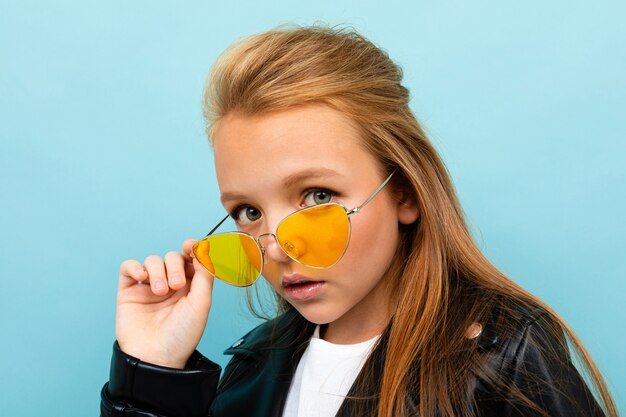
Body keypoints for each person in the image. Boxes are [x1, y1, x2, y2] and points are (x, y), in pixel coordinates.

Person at [100, 25, 618, 417]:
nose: (278, 248)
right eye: (249, 212)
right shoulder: (253, 367)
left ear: (405, 192)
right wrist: (151, 375)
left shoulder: (501, 357)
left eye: (316, 195)